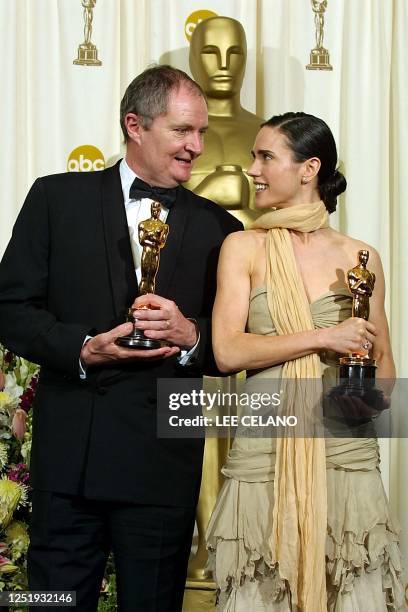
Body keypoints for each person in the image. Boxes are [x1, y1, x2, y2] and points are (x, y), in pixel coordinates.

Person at [0, 65, 242, 611]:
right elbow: (11, 307)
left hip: (162, 464)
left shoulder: (222, 230)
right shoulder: (55, 199)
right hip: (69, 464)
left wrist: (190, 335)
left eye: (201, 133)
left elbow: (233, 344)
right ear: (135, 124)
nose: (196, 146)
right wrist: (82, 349)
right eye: (183, 131)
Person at [206, 112, 404, 610]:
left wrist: (370, 398)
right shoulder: (243, 247)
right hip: (265, 450)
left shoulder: (360, 257)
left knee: (351, 583)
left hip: (344, 449)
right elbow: (228, 350)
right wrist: (324, 335)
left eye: (265, 156)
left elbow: (382, 362)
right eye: (254, 155)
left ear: (308, 168)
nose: (252, 168)